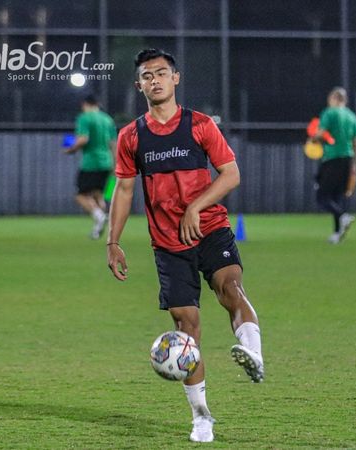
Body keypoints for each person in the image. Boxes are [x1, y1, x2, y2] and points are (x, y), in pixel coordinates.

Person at [105, 49, 264, 443]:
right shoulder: (132, 136)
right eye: (147, 75)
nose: (155, 80)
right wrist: (113, 240)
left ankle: (254, 353)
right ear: (138, 85)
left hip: (210, 228)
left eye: (162, 73)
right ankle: (202, 416)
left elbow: (231, 174)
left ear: (176, 79)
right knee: (185, 328)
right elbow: (124, 190)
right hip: (167, 243)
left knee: (231, 288)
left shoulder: (200, 125)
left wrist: (196, 205)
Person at [312, 87, 356, 244]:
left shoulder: (330, 112)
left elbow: (320, 134)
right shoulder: (352, 117)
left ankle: (343, 216)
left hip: (332, 157)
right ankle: (336, 233)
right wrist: (355, 164)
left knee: (322, 197)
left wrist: (314, 138)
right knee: (335, 196)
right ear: (345, 100)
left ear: (333, 98)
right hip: (348, 158)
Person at [64, 94, 117, 239]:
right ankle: (97, 229)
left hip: (91, 163)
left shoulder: (84, 118)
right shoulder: (107, 119)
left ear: (85, 104)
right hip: (107, 162)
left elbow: (83, 139)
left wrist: (70, 149)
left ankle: (100, 216)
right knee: (98, 194)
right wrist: (115, 164)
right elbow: (113, 143)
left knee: (80, 195)